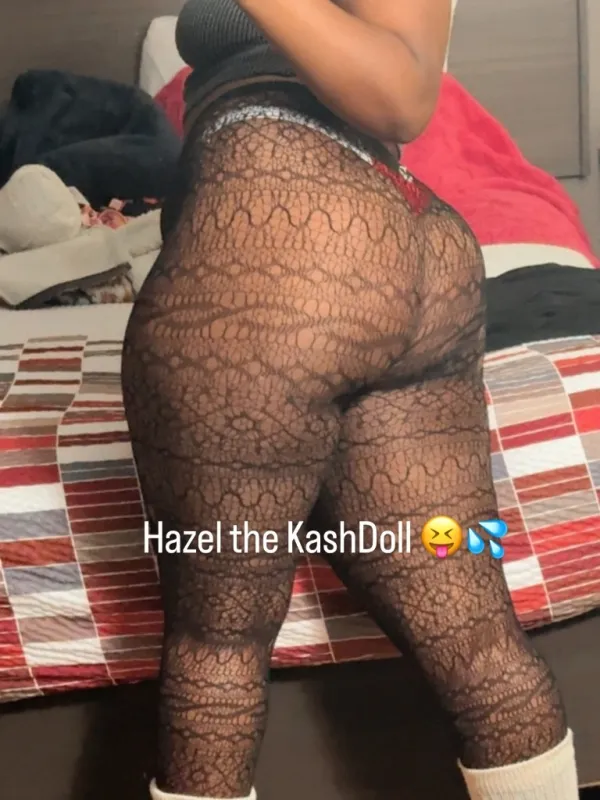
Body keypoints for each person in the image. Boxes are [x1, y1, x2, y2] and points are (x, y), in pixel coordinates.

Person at [120, 1, 578, 798]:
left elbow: (403, 96)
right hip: (413, 253)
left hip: (283, 241)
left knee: (216, 655)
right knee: (479, 653)